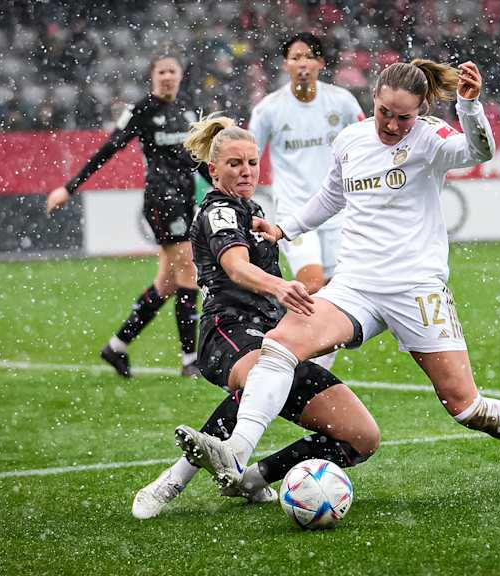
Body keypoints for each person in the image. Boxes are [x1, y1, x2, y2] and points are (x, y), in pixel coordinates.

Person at [176, 59, 500, 495]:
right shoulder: (351, 138)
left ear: (422, 109)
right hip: (357, 285)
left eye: (403, 116)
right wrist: (284, 228)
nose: (391, 124)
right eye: (384, 112)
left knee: (465, 407)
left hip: (417, 289)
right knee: (280, 343)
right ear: (372, 100)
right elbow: (332, 196)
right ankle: (237, 452)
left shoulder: (432, 138)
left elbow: (479, 152)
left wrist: (469, 105)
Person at [132, 114, 380, 519]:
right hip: (226, 331)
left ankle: (253, 479)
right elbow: (236, 267)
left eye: (251, 162)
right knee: (258, 377)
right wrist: (281, 287)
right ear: (213, 170)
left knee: (361, 437)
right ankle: (171, 481)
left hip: (276, 338)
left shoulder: (253, 209)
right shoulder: (218, 212)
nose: (246, 171)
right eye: (234, 164)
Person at [46, 51, 203, 378]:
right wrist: (69, 188)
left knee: (167, 283)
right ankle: (190, 362)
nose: (167, 76)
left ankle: (116, 347)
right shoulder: (141, 110)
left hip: (185, 198)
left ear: (180, 75)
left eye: (172, 70)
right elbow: (109, 149)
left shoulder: (187, 110)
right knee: (188, 271)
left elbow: (196, 160)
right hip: (162, 200)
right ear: (152, 76)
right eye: (161, 71)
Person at [247, 32, 365, 370]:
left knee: (338, 293)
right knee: (311, 284)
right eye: (295, 57)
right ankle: (280, 354)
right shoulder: (269, 109)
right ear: (286, 64)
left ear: (320, 64)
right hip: (295, 214)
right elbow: (249, 156)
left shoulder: (341, 102)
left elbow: (365, 144)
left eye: (308, 57)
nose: (302, 64)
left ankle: (314, 372)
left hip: (338, 211)